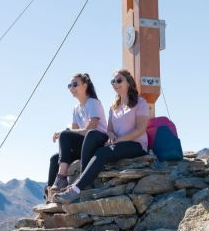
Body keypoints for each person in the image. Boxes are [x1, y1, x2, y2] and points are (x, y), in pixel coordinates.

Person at [53, 69, 149, 204]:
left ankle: (76, 189)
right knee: (95, 142)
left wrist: (119, 139)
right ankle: (81, 181)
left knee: (102, 152)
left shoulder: (140, 102)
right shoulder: (114, 107)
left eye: (119, 80)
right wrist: (111, 136)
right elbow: (109, 130)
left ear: (129, 82)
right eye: (113, 81)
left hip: (137, 145)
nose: (115, 83)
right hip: (118, 144)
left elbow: (140, 129)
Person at [46, 73, 108, 201]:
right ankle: (49, 196)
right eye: (70, 85)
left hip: (95, 142)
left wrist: (65, 132)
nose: (71, 88)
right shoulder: (76, 108)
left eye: (75, 84)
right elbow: (74, 132)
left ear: (85, 86)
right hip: (83, 144)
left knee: (65, 134)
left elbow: (90, 129)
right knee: (54, 158)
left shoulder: (93, 103)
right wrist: (65, 132)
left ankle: (61, 177)